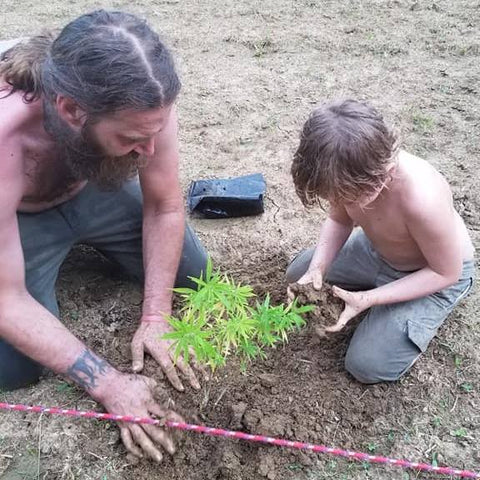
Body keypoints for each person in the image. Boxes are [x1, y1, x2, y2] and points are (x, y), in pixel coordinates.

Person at [0, 10, 209, 461]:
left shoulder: (145, 100)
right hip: (19, 213)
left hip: (90, 184)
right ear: (71, 110)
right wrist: (109, 384)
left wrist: (156, 315)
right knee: (12, 366)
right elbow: (5, 298)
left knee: (192, 276)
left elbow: (165, 204)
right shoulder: (5, 139)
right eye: (134, 138)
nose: (150, 152)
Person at [286, 99, 475, 384]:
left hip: (432, 272)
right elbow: (340, 220)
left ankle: (407, 309)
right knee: (297, 275)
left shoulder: (422, 199)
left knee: (366, 364)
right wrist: (318, 267)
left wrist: (367, 299)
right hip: (378, 250)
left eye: (347, 197)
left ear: (381, 175)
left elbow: (447, 271)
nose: (339, 202)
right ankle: (373, 291)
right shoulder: (346, 173)